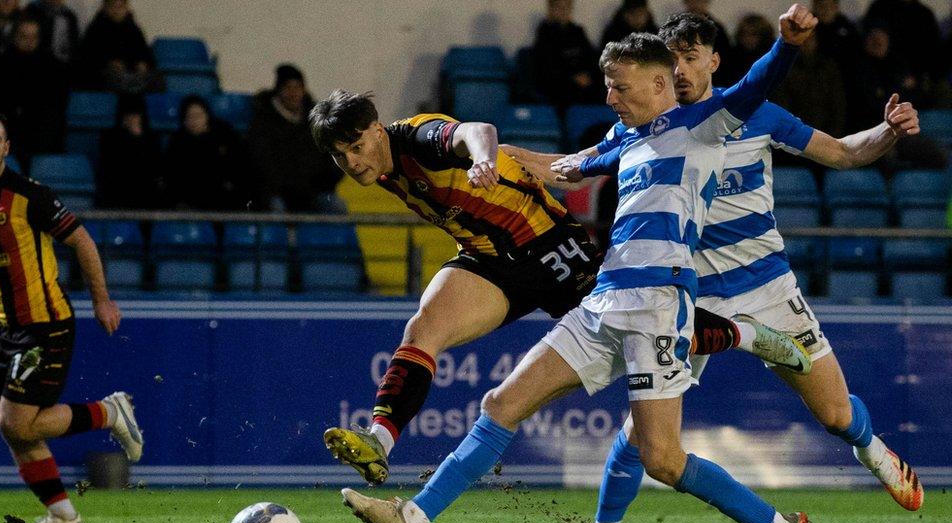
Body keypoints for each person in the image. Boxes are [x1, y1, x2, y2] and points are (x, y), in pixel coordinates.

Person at [339, 5, 818, 523]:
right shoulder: (625, 137)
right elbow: (567, 167)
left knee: (662, 460)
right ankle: (409, 518)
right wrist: (500, 157)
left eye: (620, 86)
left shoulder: (707, 122)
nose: (610, 96)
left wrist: (786, 45)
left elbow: (754, 86)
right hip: (604, 300)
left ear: (660, 82)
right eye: (609, 85)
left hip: (660, 307)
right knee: (501, 403)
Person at [545, 12, 924, 523]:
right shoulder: (640, 128)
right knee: (640, 433)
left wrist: (889, 131)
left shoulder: (750, 114)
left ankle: (873, 451)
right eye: (669, 61)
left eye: (690, 58)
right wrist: (487, 156)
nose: (679, 71)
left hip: (768, 287)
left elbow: (843, 153)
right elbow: (571, 170)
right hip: (689, 297)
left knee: (836, 413)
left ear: (714, 61)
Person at [311, 91, 810, 487]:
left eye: (357, 147)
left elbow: (475, 131)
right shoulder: (383, 168)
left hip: (551, 247)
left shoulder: (414, 137)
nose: (352, 163)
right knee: (423, 329)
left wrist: (483, 158)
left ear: (377, 130)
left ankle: (746, 335)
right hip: (489, 261)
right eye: (339, 156)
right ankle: (378, 442)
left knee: (654, 328)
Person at [0, 109, 144, 523]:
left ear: (7, 148)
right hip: (5, 327)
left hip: (45, 323)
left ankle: (109, 412)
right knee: (14, 429)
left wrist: (101, 300)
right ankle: (64, 516)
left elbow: (82, 241)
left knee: (14, 422)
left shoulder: (31, 196)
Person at [248, 64, 342, 213]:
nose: (293, 93)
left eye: (297, 87)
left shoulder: (317, 121)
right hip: (277, 194)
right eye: (288, 88)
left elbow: (334, 155)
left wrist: (323, 183)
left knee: (335, 206)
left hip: (313, 192)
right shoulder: (263, 122)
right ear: (278, 91)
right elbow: (262, 163)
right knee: (276, 209)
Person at [0, 16, 69, 164]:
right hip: (11, 135)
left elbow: (57, 104)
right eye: (24, 36)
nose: (29, 41)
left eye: (34, 36)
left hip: (43, 137)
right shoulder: (1, 66)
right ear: (14, 37)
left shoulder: (53, 67)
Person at [164, 95, 250, 211]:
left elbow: (238, 165)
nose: (195, 120)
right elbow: (174, 177)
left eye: (198, 115)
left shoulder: (224, 134)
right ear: (184, 120)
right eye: (190, 117)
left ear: (207, 115)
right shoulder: (177, 142)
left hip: (225, 196)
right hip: (191, 199)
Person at [96, 95, 165, 209]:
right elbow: (111, 168)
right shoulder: (109, 138)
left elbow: (154, 167)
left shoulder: (151, 138)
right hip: (118, 194)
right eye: (129, 115)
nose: (132, 119)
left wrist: (139, 139)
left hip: (147, 195)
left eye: (136, 115)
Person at [531, 0, 603, 110]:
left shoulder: (578, 32)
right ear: (551, 9)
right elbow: (546, 67)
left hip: (583, 82)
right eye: (559, 7)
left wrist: (588, 75)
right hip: (559, 85)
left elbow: (591, 58)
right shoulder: (544, 34)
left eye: (567, 8)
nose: (563, 11)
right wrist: (573, 78)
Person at [77, 0, 157, 93]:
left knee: (156, 79)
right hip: (105, 76)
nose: (117, 11)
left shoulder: (134, 30)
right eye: (113, 6)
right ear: (105, 8)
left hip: (131, 74)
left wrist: (142, 64)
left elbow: (146, 55)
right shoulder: (96, 29)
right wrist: (109, 64)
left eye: (120, 7)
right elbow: (88, 58)